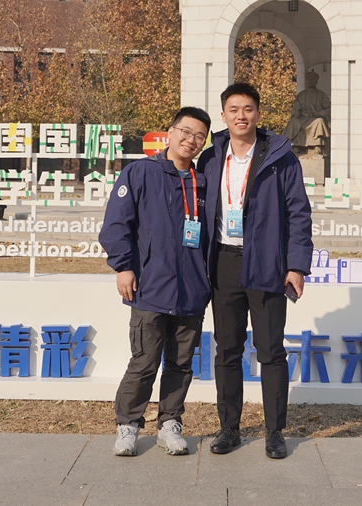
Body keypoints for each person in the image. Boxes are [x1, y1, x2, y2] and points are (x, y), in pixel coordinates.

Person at [200, 83, 313, 459]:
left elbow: (299, 214)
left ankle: (274, 432)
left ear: (258, 114)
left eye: (248, 109)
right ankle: (229, 428)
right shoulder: (211, 157)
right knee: (227, 349)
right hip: (224, 262)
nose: (241, 116)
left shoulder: (282, 159)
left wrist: (296, 265)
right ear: (223, 115)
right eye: (234, 109)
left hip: (267, 262)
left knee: (271, 351)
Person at [99, 107, 212, 456]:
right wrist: (123, 267)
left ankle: (170, 424)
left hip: (192, 290)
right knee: (144, 362)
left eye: (199, 136)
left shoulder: (203, 181)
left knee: (180, 364)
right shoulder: (141, 172)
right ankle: (128, 425)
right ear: (171, 131)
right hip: (150, 286)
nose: (191, 140)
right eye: (186, 131)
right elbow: (116, 224)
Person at [281, 71, 330, 155]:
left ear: (316, 81)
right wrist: (296, 113)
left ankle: (317, 146)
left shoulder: (322, 95)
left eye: (312, 80)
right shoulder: (301, 95)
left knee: (320, 121)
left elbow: (328, 109)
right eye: (308, 79)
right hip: (303, 118)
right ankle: (297, 145)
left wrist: (320, 113)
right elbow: (296, 108)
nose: (310, 81)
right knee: (294, 121)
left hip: (315, 118)